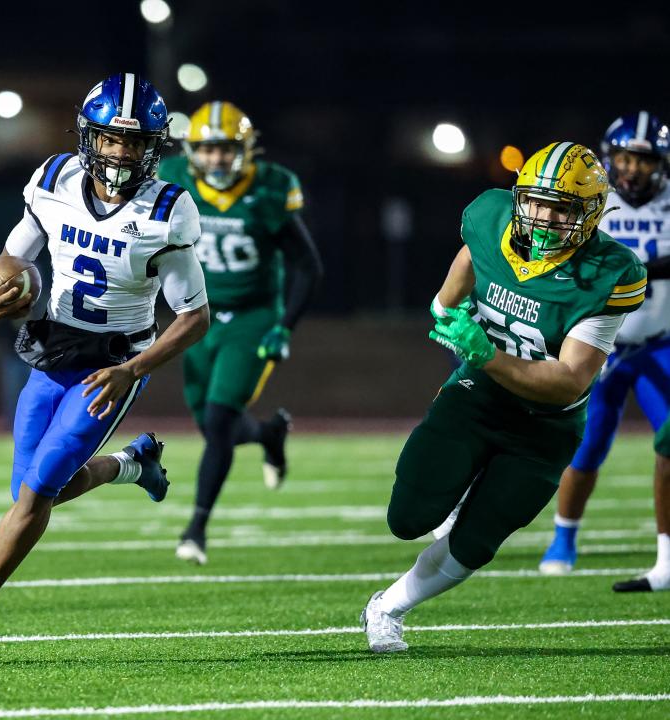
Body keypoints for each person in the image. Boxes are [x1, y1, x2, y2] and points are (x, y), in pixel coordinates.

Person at [0, 73, 209, 666]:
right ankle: (133, 465)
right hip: (53, 351)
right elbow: (12, 258)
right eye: (111, 138)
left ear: (153, 147)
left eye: (134, 142)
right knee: (31, 490)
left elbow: (194, 317)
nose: (121, 153)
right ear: (89, 137)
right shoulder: (54, 180)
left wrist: (133, 370)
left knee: (36, 491)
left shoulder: (167, 210)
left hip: (113, 364)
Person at [361, 141, 647, 653]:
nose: (543, 217)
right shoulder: (491, 217)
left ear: (590, 215)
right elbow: (470, 261)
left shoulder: (608, 273)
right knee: (406, 519)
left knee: (475, 543)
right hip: (479, 397)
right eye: (535, 201)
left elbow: (570, 379)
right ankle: (457, 491)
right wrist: (444, 306)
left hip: (546, 425)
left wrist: (486, 354)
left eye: (561, 208)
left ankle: (387, 608)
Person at [157, 101, 323, 565]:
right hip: (197, 316)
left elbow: (308, 266)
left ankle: (196, 528)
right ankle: (269, 434)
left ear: (245, 150)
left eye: (226, 148)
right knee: (213, 425)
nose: (216, 159)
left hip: (252, 318)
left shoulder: (270, 189)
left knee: (218, 424)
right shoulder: (173, 179)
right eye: (208, 149)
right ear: (191, 152)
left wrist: (284, 327)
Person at [538, 112, 670, 592]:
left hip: (660, 343)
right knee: (588, 444)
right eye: (625, 158)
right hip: (602, 344)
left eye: (643, 160)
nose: (632, 169)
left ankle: (666, 555)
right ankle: (563, 537)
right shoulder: (594, 199)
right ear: (610, 158)